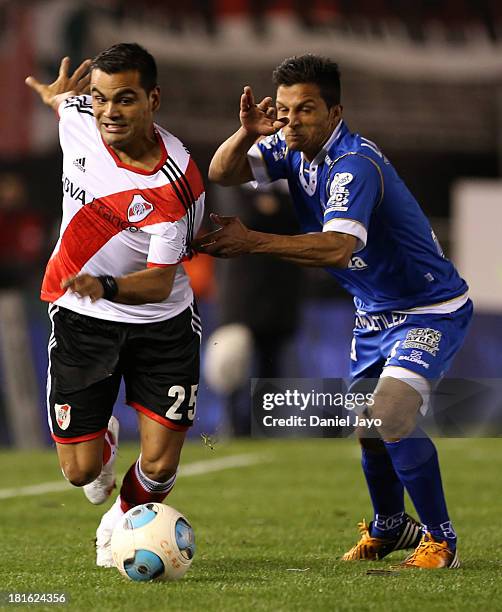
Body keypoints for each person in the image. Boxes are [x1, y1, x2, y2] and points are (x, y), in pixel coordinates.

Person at [194, 54, 472, 569]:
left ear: (335, 111)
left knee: (390, 413)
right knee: (368, 424)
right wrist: (246, 133)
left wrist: (251, 239)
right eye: (284, 109)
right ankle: (390, 526)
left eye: (306, 109)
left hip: (427, 307)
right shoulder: (289, 147)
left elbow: (337, 249)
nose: (292, 120)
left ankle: (442, 541)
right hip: (373, 311)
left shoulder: (353, 165)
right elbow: (222, 172)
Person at [25, 43, 204, 568]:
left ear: (153, 99)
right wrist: (59, 97)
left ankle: (124, 522)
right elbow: (67, 105)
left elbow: (157, 282)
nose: (108, 111)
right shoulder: (80, 120)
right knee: (81, 474)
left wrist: (105, 284)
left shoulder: (177, 182)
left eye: (124, 100)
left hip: (160, 322)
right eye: (100, 99)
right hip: (83, 319)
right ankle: (101, 440)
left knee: (161, 462)